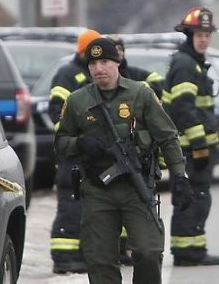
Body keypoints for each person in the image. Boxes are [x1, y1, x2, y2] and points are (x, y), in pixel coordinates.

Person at [54, 37, 193, 284]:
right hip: (97, 190)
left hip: (136, 188)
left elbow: (168, 137)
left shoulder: (141, 94)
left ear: (117, 62)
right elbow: (61, 142)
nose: (99, 69)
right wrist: (80, 144)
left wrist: (180, 176)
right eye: (93, 63)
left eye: (105, 61)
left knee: (148, 252)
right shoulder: (77, 101)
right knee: (100, 260)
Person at [162, 6, 219, 266]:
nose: (203, 39)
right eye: (198, 34)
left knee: (196, 196)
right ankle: (190, 252)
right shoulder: (186, 65)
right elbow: (183, 109)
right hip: (191, 148)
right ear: (189, 36)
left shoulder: (193, 63)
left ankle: (190, 249)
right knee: (194, 197)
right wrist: (200, 144)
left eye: (207, 34)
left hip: (193, 146)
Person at [106, 34, 166, 265]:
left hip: (139, 161)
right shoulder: (95, 86)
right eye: (114, 50)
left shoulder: (139, 84)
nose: (118, 54)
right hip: (108, 164)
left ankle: (137, 247)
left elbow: (164, 132)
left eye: (120, 50)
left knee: (142, 205)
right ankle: (119, 249)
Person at [48, 28, 101, 274]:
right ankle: (64, 258)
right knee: (71, 204)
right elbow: (58, 114)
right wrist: (79, 139)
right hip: (72, 154)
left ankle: (79, 255)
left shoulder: (90, 74)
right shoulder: (67, 75)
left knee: (83, 206)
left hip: (88, 155)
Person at [107, 34, 165, 99]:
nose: (118, 52)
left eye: (120, 49)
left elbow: (161, 84)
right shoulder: (98, 75)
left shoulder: (135, 73)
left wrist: (138, 88)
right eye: (113, 49)